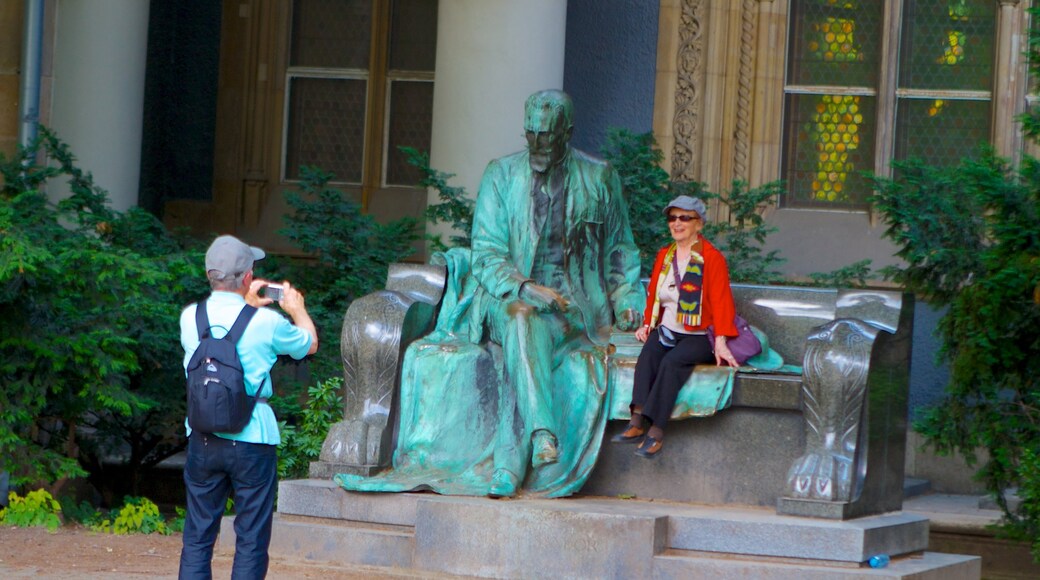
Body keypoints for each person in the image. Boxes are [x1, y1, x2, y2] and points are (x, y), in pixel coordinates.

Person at [469, 89, 645, 497]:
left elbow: (620, 248)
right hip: (507, 299)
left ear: (568, 132)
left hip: (576, 310)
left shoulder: (599, 177)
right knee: (520, 320)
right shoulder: (500, 175)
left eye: (546, 135)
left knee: (524, 345)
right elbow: (486, 253)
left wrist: (627, 299)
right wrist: (526, 288)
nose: (536, 142)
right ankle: (541, 435)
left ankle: (508, 467)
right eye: (530, 133)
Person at [178, 235, 318, 579]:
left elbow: (225, 334)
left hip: (203, 438)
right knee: (251, 538)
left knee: (197, 536)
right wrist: (296, 308)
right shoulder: (267, 323)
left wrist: (247, 304)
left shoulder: (189, 317)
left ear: (210, 275)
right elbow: (309, 345)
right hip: (253, 438)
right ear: (246, 278)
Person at [611, 195, 739, 458]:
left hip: (699, 334)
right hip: (668, 328)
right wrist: (648, 324)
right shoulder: (664, 255)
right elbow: (655, 294)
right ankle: (636, 421)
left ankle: (656, 432)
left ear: (699, 224)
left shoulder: (711, 258)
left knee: (672, 363)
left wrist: (721, 340)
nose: (677, 223)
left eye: (684, 218)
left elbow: (722, 300)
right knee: (648, 355)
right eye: (673, 218)